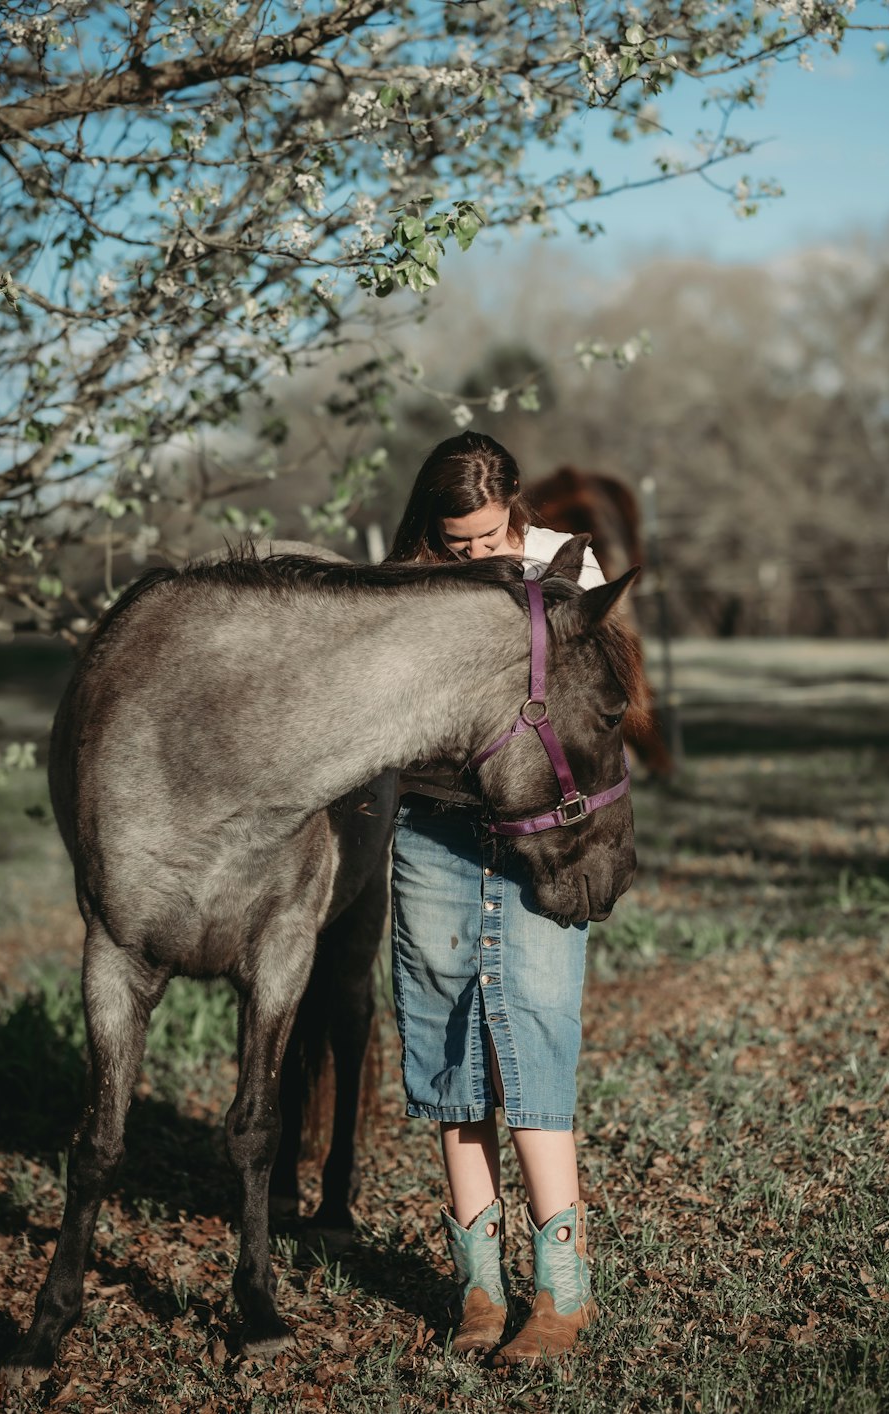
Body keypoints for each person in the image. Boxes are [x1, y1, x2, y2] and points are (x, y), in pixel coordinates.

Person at [387, 431, 605, 1365]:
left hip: (535, 843)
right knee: (448, 1059)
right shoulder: (403, 580)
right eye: (457, 540)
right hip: (432, 838)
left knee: (537, 1038)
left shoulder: (566, 564)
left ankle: (561, 1294)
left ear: (516, 508)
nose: (475, 555)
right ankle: (479, 1290)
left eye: (487, 537)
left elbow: (592, 697)